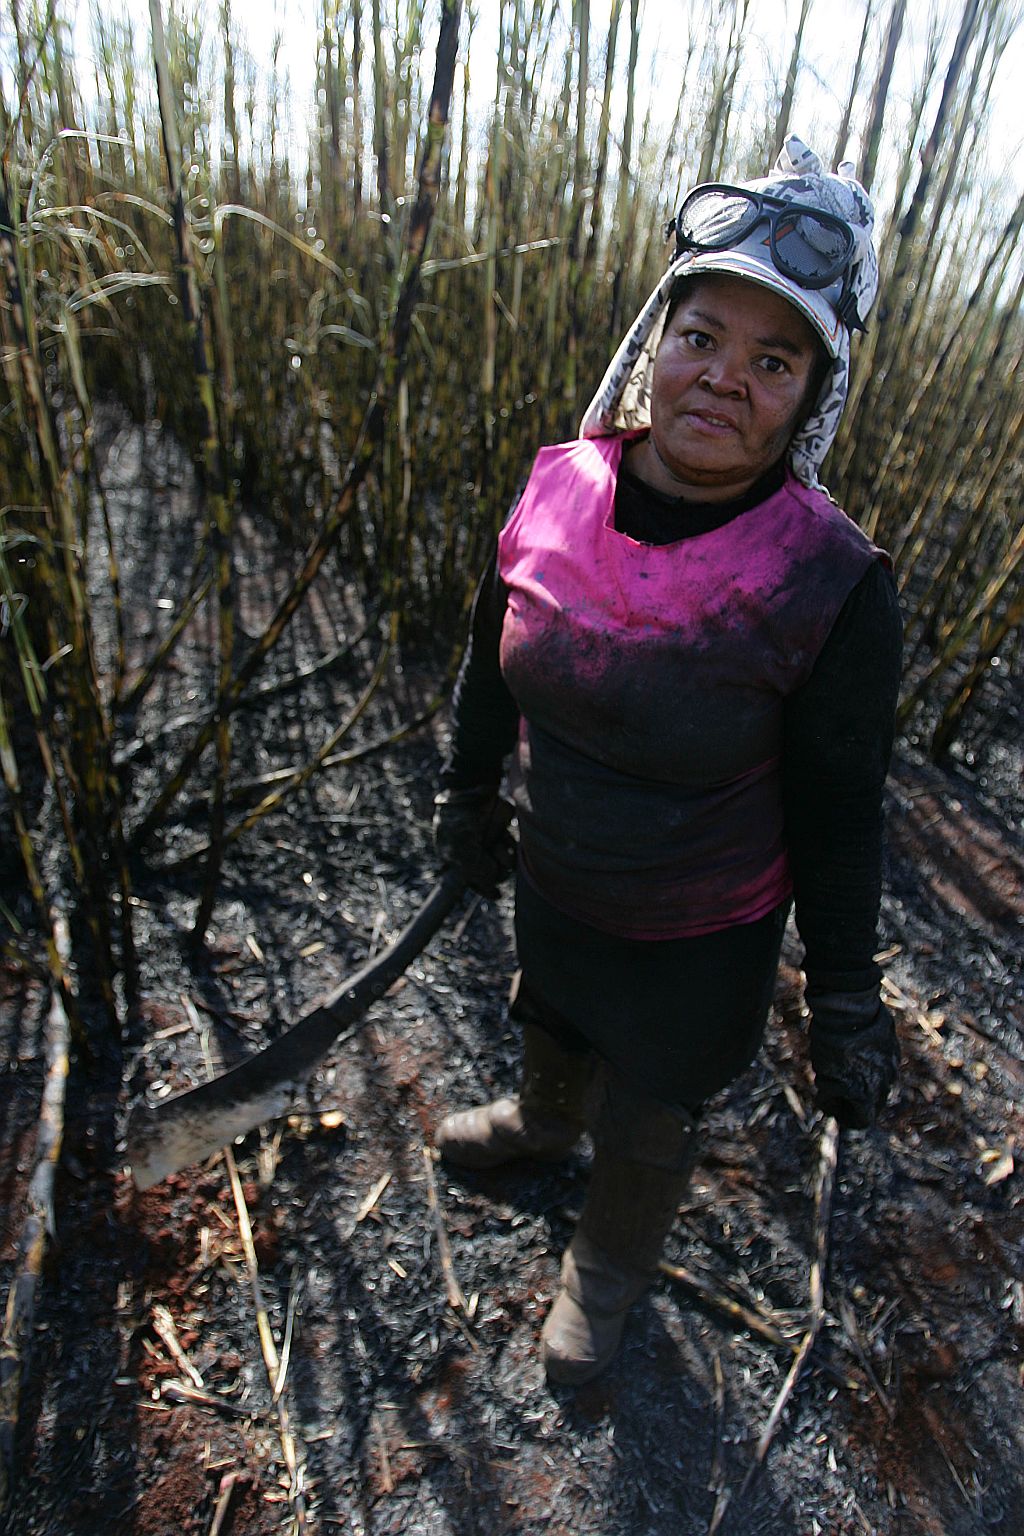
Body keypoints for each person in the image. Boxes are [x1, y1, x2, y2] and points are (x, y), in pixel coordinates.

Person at [431, 137, 902, 1387]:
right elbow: (492, 658)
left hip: (701, 930)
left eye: (773, 360)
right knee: (551, 1009)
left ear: (814, 393)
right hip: (561, 870)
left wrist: (845, 994)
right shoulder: (556, 488)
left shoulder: (827, 581)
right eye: (702, 335)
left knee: (653, 1099)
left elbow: (842, 808)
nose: (721, 378)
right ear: (656, 335)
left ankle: (609, 1267)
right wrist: (466, 792)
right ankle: (539, 1119)